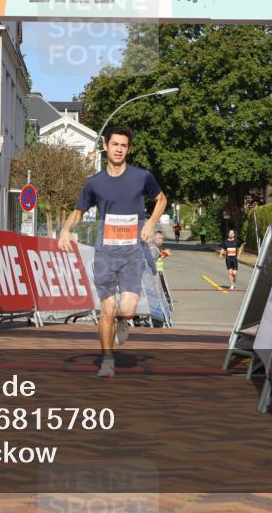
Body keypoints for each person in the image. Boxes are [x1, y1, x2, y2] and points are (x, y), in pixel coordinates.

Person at [58, 125, 167, 378]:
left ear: (129, 149)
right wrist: (65, 230)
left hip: (131, 253)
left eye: (124, 145)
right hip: (105, 253)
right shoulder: (94, 183)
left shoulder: (142, 177)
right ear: (106, 147)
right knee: (106, 309)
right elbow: (78, 212)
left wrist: (150, 223)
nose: (119, 149)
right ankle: (107, 359)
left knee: (127, 310)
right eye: (115, 144)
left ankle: (122, 321)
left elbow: (161, 200)